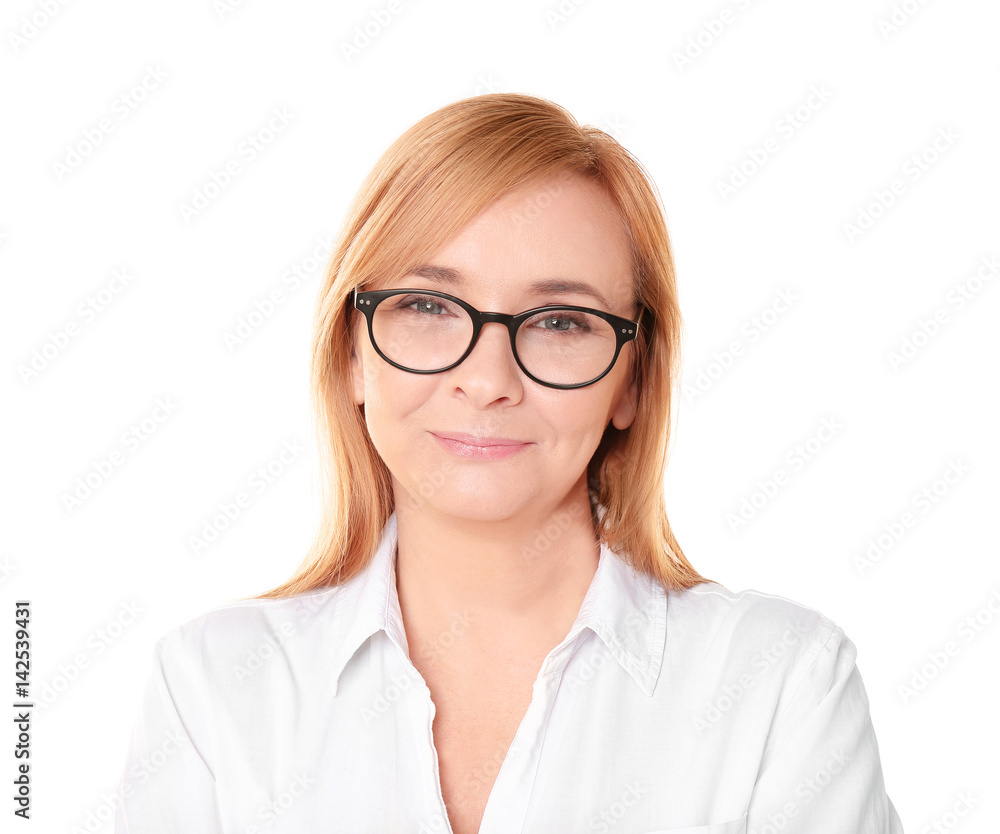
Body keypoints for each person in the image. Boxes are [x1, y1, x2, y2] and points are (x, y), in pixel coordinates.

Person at [114, 93, 903, 833]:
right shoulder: (213, 690)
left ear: (632, 378)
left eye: (561, 321)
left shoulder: (782, 685)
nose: (488, 381)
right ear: (353, 355)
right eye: (426, 307)